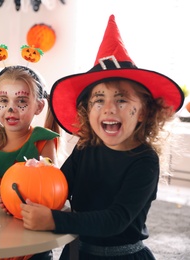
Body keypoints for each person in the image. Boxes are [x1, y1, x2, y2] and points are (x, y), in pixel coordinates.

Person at [13, 15, 185, 259]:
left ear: (144, 112)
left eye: (122, 99)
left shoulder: (144, 161)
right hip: (77, 253)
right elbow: (57, 188)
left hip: (122, 255)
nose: (109, 108)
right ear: (87, 111)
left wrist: (54, 220)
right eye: (99, 100)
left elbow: (115, 220)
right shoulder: (85, 148)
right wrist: (20, 198)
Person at [0, 65, 60, 260]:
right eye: (4, 100)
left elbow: (49, 192)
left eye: (21, 101)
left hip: (29, 238)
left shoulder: (42, 142)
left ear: (38, 106)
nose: (10, 109)